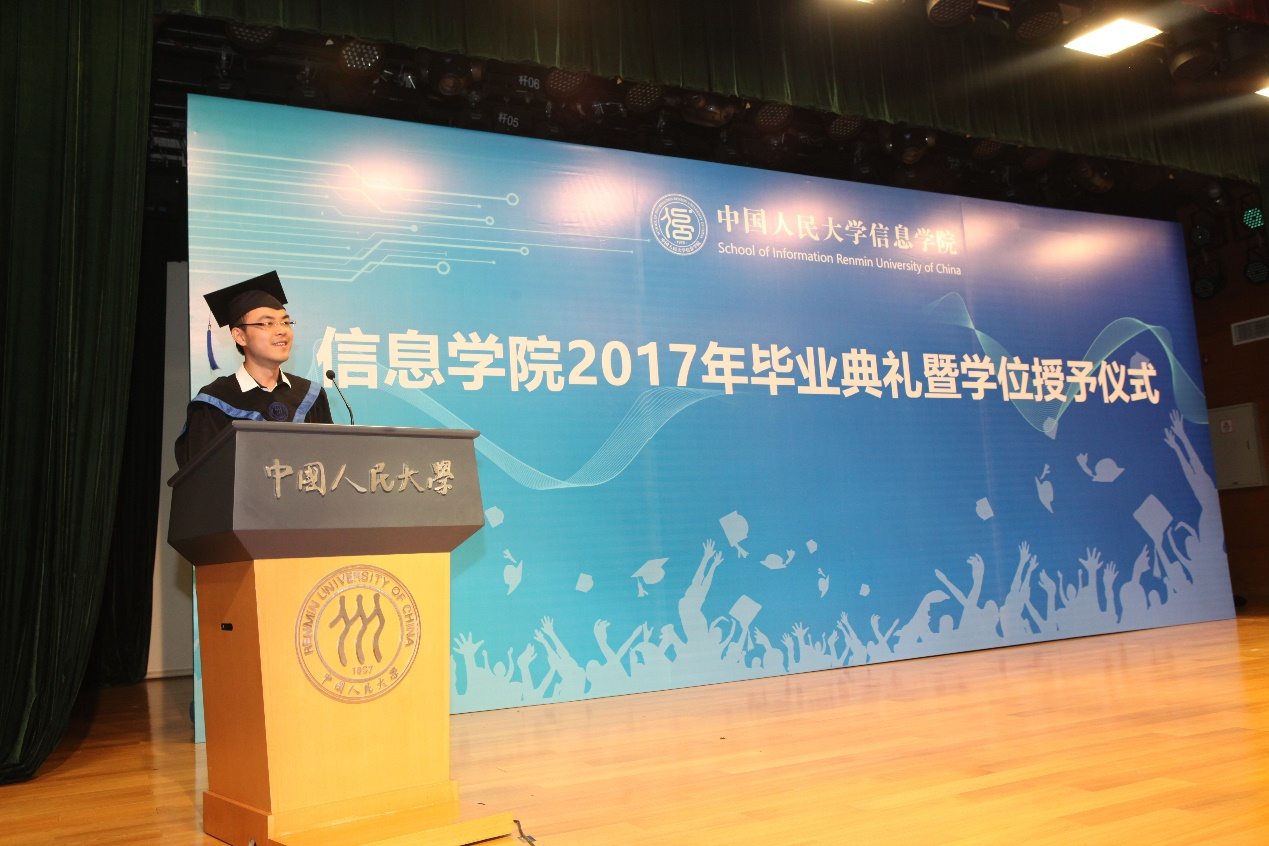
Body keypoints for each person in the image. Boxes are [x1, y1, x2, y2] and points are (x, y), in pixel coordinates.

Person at [174, 271, 333, 468]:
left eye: (285, 322)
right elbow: (203, 477)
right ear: (240, 336)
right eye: (267, 323)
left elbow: (329, 465)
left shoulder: (310, 396)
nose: (281, 330)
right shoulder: (214, 403)